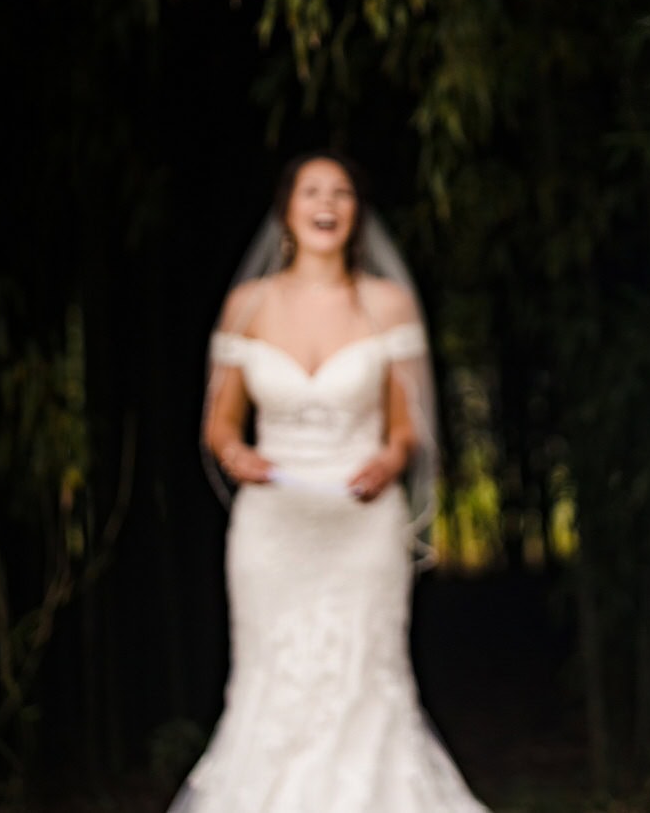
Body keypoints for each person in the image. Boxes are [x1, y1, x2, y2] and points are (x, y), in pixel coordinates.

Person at [169, 151, 488, 813]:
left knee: (367, 683)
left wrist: (388, 459)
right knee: (269, 684)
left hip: (360, 524)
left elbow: (408, 425)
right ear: (287, 209)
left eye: (342, 192)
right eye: (313, 191)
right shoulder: (247, 304)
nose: (328, 203)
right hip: (273, 526)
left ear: (356, 213)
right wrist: (238, 457)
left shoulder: (387, 303)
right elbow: (220, 425)